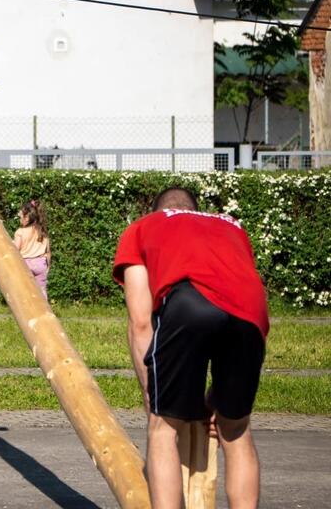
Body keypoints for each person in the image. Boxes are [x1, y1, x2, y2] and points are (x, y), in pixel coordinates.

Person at [113, 187, 269, 509]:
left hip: (189, 302)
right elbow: (239, 299)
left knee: (163, 428)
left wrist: (151, 395)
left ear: (157, 210)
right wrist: (218, 397)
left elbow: (141, 322)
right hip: (251, 314)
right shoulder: (231, 224)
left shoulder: (143, 227)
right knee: (236, 428)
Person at [13, 199, 50, 298]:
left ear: (27, 218)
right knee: (42, 290)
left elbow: (15, 250)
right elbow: (48, 252)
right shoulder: (42, 231)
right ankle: (44, 311)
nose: (19, 219)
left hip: (25, 264)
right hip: (40, 264)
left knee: (25, 290)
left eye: (20, 217)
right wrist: (48, 267)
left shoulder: (20, 232)